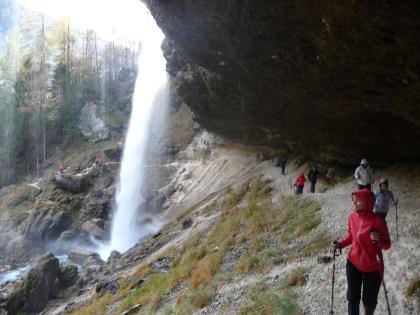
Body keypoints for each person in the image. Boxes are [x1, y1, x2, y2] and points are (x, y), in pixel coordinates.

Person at [332, 189, 391, 315]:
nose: (354, 203)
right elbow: (351, 236)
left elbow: (387, 245)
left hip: (373, 267)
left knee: (369, 302)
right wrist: (340, 244)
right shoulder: (352, 217)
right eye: (354, 201)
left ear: (367, 202)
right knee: (353, 299)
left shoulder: (378, 221)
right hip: (353, 263)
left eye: (357, 201)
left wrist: (378, 239)